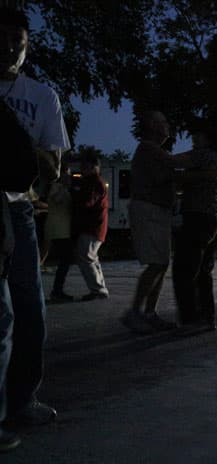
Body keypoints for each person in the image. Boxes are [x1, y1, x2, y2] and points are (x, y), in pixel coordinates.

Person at [0, 6, 69, 448]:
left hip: (19, 209)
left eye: (17, 41)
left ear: (27, 46)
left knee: (29, 313)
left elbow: (54, 166)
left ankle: (22, 399)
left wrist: (18, 144)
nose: (9, 48)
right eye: (2, 38)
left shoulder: (42, 96)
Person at [121, 111, 190, 333]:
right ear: (152, 125)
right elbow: (168, 170)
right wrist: (201, 162)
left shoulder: (155, 152)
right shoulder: (149, 149)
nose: (168, 126)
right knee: (157, 263)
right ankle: (135, 312)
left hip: (158, 212)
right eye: (164, 122)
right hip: (149, 210)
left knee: (161, 262)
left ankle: (149, 312)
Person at [171, 120, 217, 331]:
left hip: (198, 218)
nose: (193, 138)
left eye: (198, 135)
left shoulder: (203, 155)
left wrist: (156, 155)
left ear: (208, 139)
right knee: (203, 271)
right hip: (213, 219)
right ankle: (206, 317)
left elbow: (174, 161)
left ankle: (190, 319)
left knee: (185, 270)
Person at [70, 153, 110, 301]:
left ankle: (98, 290)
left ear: (94, 167)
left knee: (86, 257)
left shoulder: (93, 183)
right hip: (97, 227)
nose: (82, 170)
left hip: (91, 227)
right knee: (92, 258)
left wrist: (73, 194)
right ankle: (100, 288)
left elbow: (87, 202)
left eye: (85, 167)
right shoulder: (97, 181)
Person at [47, 164, 75, 302]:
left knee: (65, 261)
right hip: (59, 229)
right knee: (65, 260)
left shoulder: (64, 188)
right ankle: (57, 291)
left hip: (63, 229)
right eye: (67, 173)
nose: (69, 176)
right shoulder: (56, 187)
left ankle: (58, 290)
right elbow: (56, 200)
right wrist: (64, 187)